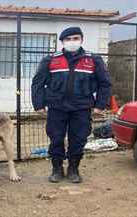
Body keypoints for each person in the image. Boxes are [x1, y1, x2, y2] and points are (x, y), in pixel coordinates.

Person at [31, 27, 111, 183]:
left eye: (75, 38)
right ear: (62, 42)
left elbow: (105, 84)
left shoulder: (93, 60)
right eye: (68, 39)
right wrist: (39, 104)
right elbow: (38, 83)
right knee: (56, 138)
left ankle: (74, 169)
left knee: (79, 139)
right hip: (57, 107)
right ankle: (57, 169)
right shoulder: (51, 60)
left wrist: (100, 105)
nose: (72, 42)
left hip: (81, 107)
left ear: (81, 40)